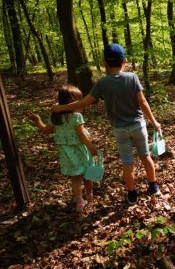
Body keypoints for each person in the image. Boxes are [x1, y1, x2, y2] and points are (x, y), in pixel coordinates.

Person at [52, 43, 162, 205]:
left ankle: (132, 194)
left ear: (105, 62)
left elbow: (83, 104)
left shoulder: (102, 83)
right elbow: (143, 102)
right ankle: (153, 187)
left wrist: (61, 108)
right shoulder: (133, 78)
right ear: (124, 61)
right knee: (145, 156)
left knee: (127, 162)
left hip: (120, 129)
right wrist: (154, 121)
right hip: (138, 125)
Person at [28, 85, 97, 212]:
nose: (81, 103)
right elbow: (81, 135)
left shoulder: (55, 116)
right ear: (72, 102)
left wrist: (38, 120)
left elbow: (46, 130)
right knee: (88, 173)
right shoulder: (76, 116)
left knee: (75, 178)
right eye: (79, 100)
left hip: (66, 153)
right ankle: (90, 194)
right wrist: (91, 148)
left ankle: (80, 201)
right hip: (81, 150)